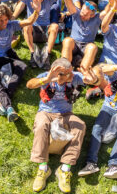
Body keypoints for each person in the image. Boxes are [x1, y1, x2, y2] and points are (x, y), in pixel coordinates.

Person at [25, 59, 85, 194]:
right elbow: (29, 84)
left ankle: (64, 169)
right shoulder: (46, 76)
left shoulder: (73, 77)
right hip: (46, 112)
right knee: (41, 125)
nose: (68, 77)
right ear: (55, 72)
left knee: (80, 125)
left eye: (69, 73)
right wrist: (46, 79)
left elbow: (90, 80)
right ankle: (43, 168)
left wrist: (93, 78)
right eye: (64, 74)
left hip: (66, 114)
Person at [0, 0, 38, 122]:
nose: (3, 23)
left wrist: (37, 10)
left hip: (5, 58)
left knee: (22, 66)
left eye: (5, 20)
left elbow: (29, 21)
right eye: (0, 20)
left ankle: (6, 93)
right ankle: (9, 108)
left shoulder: (11, 25)